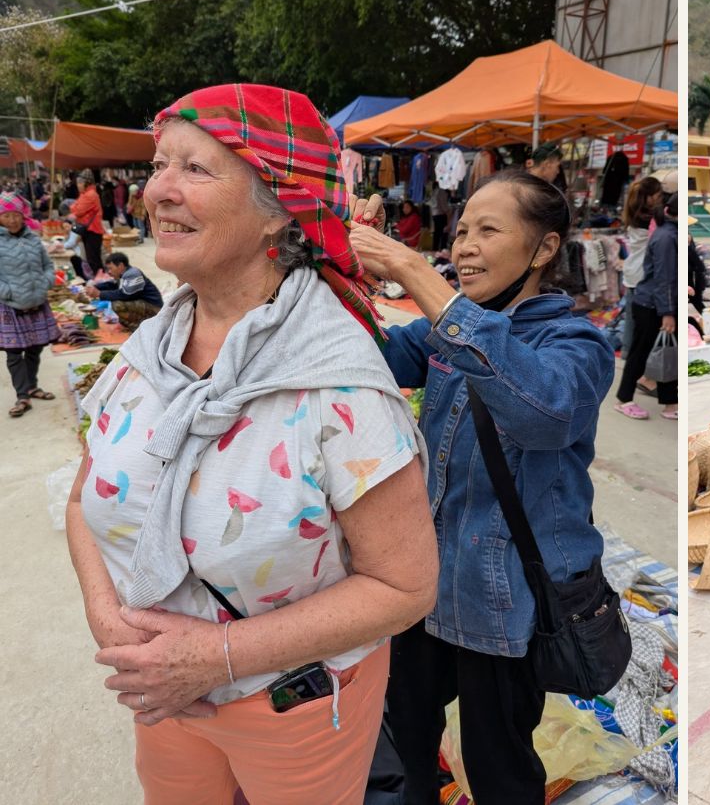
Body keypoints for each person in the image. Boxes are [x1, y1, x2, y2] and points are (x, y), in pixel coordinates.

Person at [65, 83, 438, 805]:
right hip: (163, 693)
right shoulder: (150, 349)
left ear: (279, 210)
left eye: (196, 170)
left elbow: (405, 586)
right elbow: (85, 495)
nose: (158, 192)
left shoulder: (340, 388)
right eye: (160, 165)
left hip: (289, 708)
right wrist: (107, 615)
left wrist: (215, 656)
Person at [349, 168, 616, 804]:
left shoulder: (577, 342)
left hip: (507, 599)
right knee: (405, 737)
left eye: (488, 230)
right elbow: (366, 357)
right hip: (426, 580)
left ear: (544, 249)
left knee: (497, 763)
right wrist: (342, 273)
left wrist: (416, 273)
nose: (465, 244)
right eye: (461, 229)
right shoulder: (442, 335)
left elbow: (545, 411)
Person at [615, 192, 678, 421]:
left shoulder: (669, 234)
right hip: (651, 304)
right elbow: (664, 278)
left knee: (669, 353)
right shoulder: (666, 238)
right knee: (640, 354)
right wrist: (667, 313)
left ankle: (670, 403)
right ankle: (624, 399)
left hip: (657, 303)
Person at [0, 193, 59, 417]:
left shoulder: (33, 238)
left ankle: (32, 386)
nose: (13, 220)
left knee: (35, 348)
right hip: (10, 306)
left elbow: (47, 264)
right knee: (15, 353)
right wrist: (8, 292)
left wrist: (47, 281)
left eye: (16, 215)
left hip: (37, 301)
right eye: (7, 216)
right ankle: (22, 396)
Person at [620, 175, 663, 381]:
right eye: (658, 194)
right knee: (643, 329)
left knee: (631, 322)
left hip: (631, 274)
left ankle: (629, 360)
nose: (661, 198)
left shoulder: (633, 213)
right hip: (642, 277)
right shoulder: (652, 219)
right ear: (650, 197)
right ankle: (638, 372)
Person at [83, 250, 164, 332]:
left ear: (121, 266)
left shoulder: (133, 274)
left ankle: (138, 328)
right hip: (144, 304)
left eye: (111, 268)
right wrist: (94, 287)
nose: (109, 272)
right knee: (115, 301)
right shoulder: (124, 275)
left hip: (154, 308)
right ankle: (137, 325)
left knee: (117, 305)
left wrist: (99, 294)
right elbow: (112, 285)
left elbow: (125, 294)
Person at [69, 168, 105, 279]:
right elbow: (75, 208)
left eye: (80, 183)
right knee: (92, 258)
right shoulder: (85, 194)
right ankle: (99, 279)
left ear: (87, 183)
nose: (78, 185)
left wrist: (75, 208)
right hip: (89, 230)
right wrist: (75, 208)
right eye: (78, 183)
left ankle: (101, 280)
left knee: (93, 259)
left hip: (93, 231)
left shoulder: (90, 195)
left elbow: (77, 210)